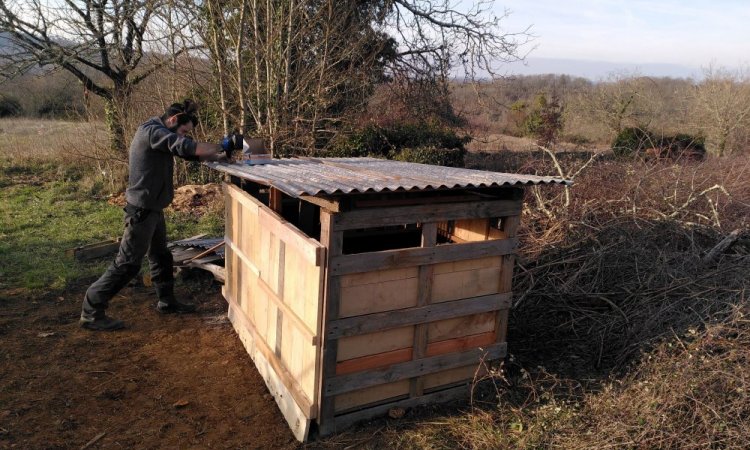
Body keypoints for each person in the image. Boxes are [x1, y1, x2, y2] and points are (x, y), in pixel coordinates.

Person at [79, 100, 241, 331]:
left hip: (153, 207)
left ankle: (166, 301)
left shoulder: (160, 133)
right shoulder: (152, 131)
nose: (185, 136)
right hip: (142, 210)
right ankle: (91, 310)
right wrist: (224, 145)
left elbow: (190, 153)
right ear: (174, 120)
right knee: (127, 263)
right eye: (184, 131)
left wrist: (220, 156)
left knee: (160, 256)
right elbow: (187, 147)